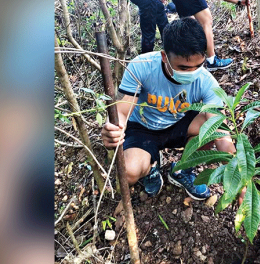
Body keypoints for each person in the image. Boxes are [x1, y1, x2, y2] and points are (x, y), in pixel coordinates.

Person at [101, 18, 236, 199]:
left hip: (179, 122)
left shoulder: (206, 82)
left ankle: (182, 170)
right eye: (184, 67)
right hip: (143, 127)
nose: (192, 73)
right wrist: (113, 128)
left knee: (210, 129)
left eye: (198, 66)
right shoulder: (142, 66)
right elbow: (122, 111)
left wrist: (237, 173)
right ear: (165, 56)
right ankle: (150, 167)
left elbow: (219, 129)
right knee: (128, 174)